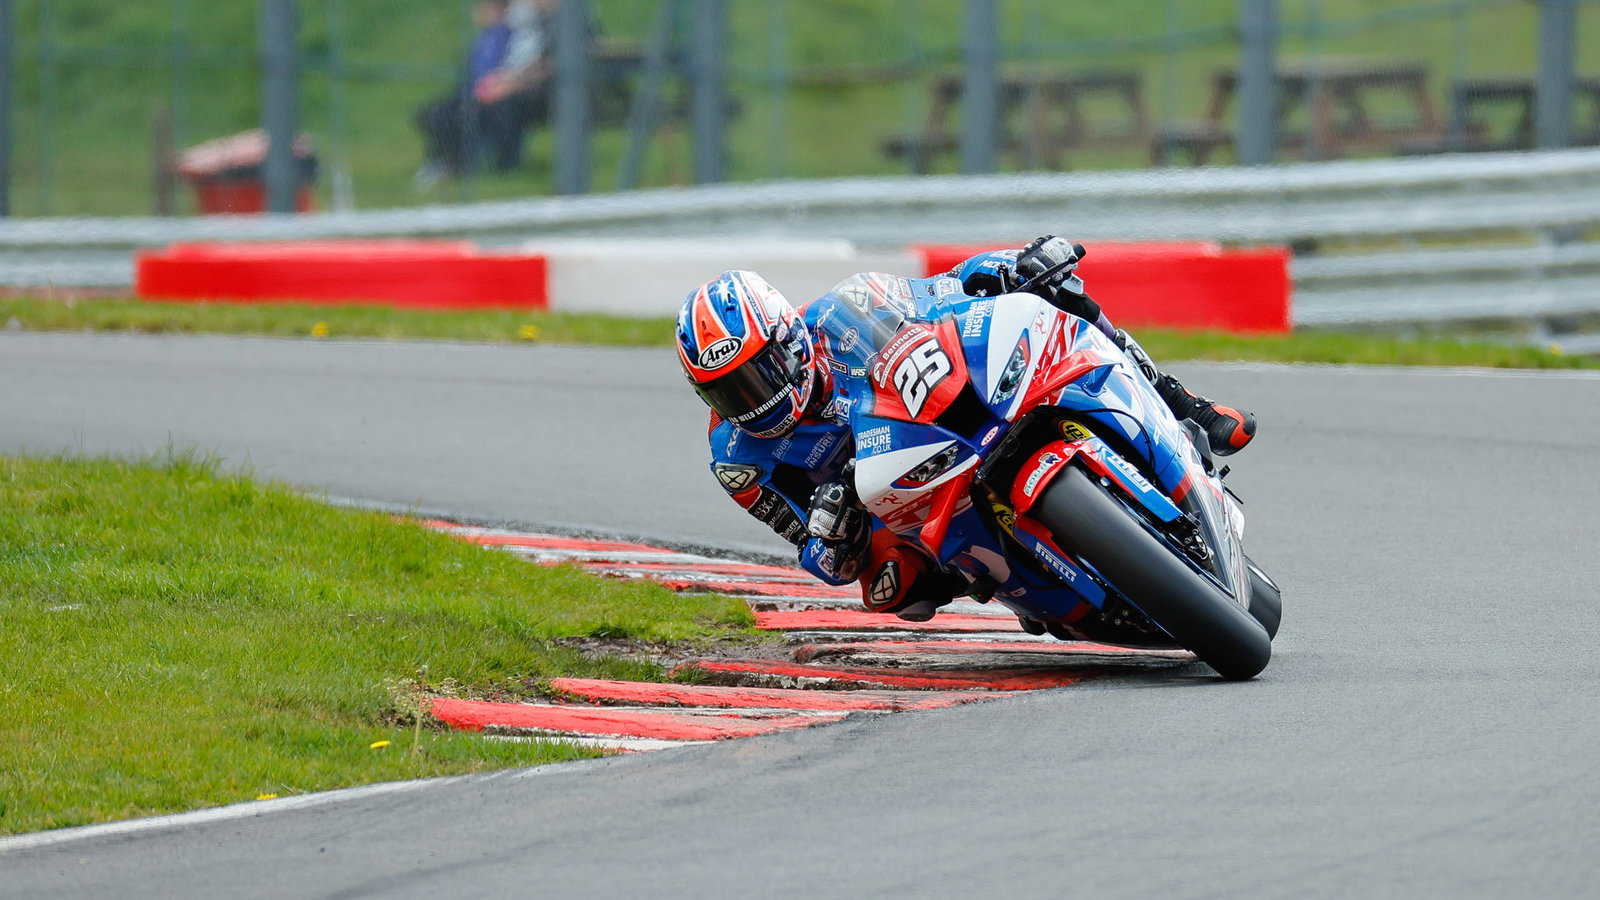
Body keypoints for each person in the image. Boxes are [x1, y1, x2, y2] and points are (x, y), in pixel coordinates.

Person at [674, 236, 1257, 622]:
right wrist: (833, 532)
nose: (754, 399)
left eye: (759, 372)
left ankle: (1182, 405)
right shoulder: (738, 458)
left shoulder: (842, 312)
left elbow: (946, 289)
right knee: (894, 591)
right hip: (898, 498)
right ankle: (1016, 581)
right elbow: (820, 558)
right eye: (728, 390)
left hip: (950, 410)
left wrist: (1010, 267)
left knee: (1056, 291)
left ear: (788, 337)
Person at [413, 0, 514, 187]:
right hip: (470, 95)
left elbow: (497, 73)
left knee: (448, 115)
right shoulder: (485, 37)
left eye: (482, 8)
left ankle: (452, 163)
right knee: (431, 113)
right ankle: (443, 159)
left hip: (489, 98)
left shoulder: (504, 36)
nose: (476, 13)